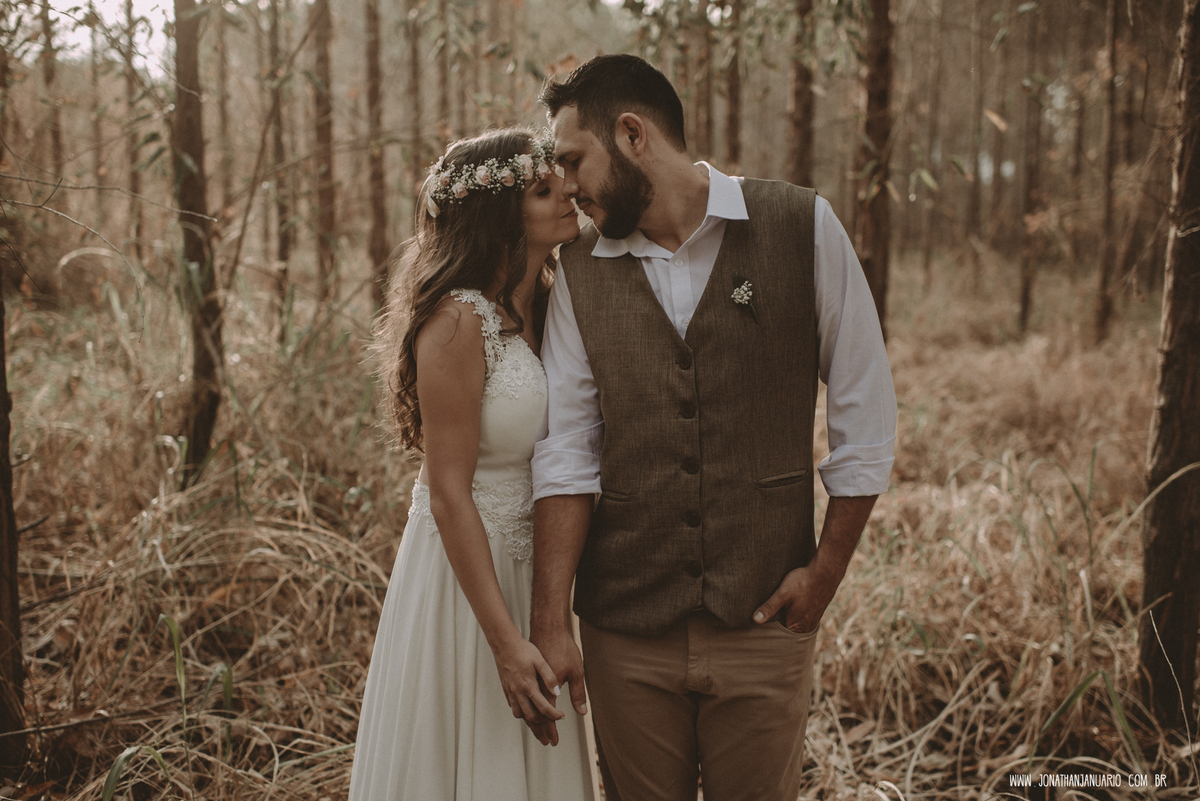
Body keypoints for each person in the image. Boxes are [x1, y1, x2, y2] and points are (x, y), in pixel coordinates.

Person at [526, 55, 898, 800]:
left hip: (764, 622)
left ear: (632, 134)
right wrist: (550, 621)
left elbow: (867, 415)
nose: (566, 185)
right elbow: (567, 449)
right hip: (624, 629)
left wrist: (825, 574)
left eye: (573, 159)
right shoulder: (576, 269)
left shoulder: (802, 225)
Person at [349, 128, 596, 801]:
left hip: (536, 568)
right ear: (499, 218)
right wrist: (504, 641)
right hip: (466, 583)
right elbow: (448, 492)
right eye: (543, 191)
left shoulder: (550, 300)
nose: (565, 195)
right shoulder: (458, 322)